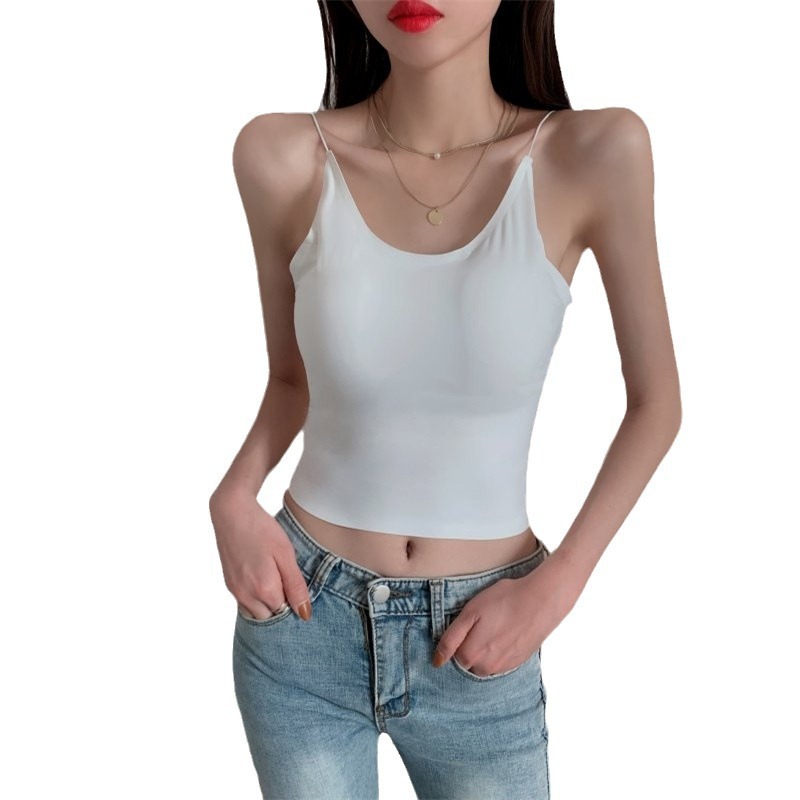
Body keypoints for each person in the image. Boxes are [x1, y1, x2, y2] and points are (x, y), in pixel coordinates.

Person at [209, 1, 682, 798]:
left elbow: (656, 403)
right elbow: (292, 380)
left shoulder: (595, 153)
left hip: (483, 631)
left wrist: (557, 586)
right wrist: (231, 497)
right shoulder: (280, 155)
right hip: (302, 620)